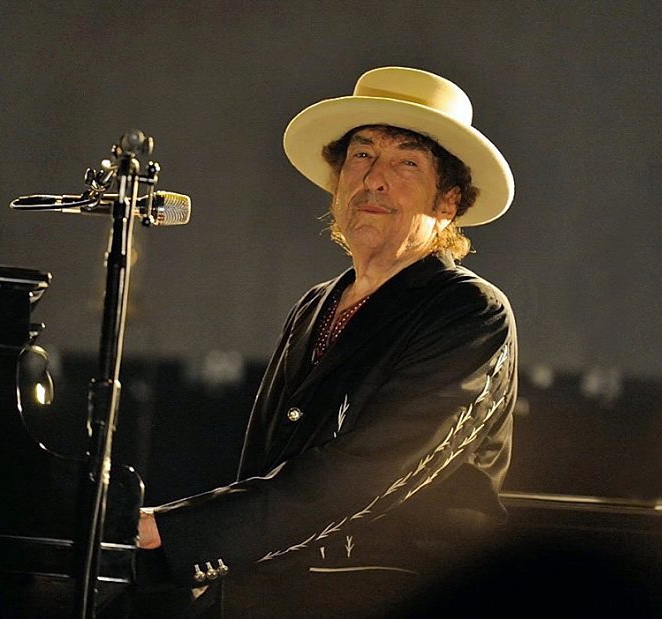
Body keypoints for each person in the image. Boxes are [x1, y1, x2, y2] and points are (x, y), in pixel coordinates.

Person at [135, 66, 518, 618]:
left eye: (407, 162)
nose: (374, 179)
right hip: (283, 592)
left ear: (448, 202)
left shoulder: (469, 311)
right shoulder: (316, 304)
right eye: (362, 155)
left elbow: (374, 474)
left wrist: (180, 531)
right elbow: (269, 465)